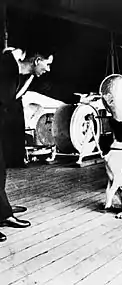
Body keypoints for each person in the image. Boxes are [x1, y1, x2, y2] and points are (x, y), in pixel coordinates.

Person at [0, 47, 53, 242]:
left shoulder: (17, 74)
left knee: (0, 171)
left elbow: (13, 96)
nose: (48, 69)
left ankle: (3, 212)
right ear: (37, 59)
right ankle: (4, 213)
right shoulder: (7, 65)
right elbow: (8, 56)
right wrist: (11, 53)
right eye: (47, 64)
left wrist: (30, 76)